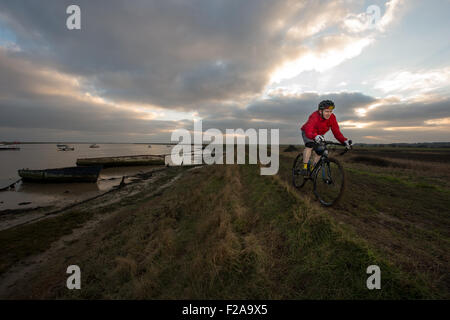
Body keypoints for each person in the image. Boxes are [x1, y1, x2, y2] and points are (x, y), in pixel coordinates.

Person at [300, 100, 351, 176]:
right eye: (327, 111)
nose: (329, 114)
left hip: (319, 134)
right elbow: (309, 130)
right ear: (320, 111)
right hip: (308, 132)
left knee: (320, 150)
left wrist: (344, 141)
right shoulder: (314, 116)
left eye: (331, 111)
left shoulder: (332, 118)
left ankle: (312, 168)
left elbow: (336, 132)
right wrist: (314, 136)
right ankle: (304, 167)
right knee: (309, 146)